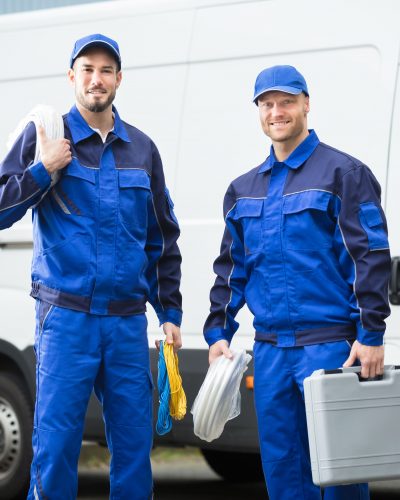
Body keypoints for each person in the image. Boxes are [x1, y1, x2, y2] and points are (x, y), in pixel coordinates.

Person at [0, 34, 182, 499]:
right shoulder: (46, 135)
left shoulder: (142, 150)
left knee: (134, 449)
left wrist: (170, 315)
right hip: (66, 320)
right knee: (56, 448)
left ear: (119, 79)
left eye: (106, 70)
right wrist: (42, 169)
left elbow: (161, 239)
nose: (96, 79)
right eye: (87, 69)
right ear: (72, 77)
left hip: (125, 324)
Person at [203, 65, 391, 500]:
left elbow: (369, 257)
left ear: (306, 104)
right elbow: (231, 268)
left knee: (340, 476)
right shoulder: (243, 189)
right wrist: (218, 331)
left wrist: (371, 333)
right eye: (266, 103)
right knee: (284, 473)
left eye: (286, 101)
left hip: (330, 349)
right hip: (270, 352)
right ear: (258, 112)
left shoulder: (344, 174)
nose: (277, 111)